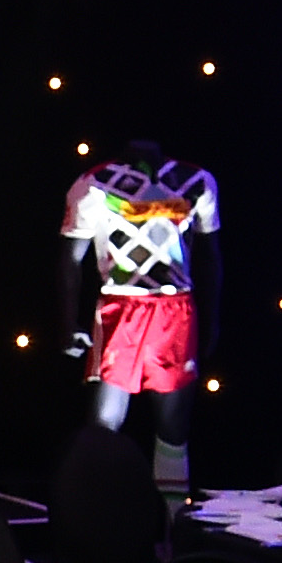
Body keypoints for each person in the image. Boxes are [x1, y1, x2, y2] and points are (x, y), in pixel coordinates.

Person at [59, 141, 222, 495]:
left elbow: (210, 255)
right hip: (121, 310)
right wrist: (69, 322)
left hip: (175, 312)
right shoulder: (93, 184)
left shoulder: (197, 181)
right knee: (103, 427)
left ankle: (172, 527)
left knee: (173, 431)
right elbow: (71, 258)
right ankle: (95, 523)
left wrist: (211, 319)